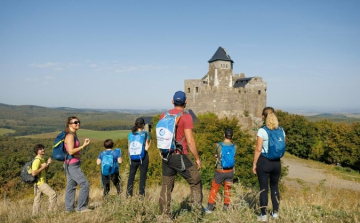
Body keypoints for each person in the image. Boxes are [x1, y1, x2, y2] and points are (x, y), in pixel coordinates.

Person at [158, 90, 202, 216]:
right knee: (195, 180)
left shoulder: (163, 115)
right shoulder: (186, 117)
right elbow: (190, 141)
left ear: (172, 101)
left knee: (166, 187)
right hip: (180, 155)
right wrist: (197, 158)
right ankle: (196, 214)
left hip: (166, 156)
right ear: (185, 102)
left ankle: (165, 216)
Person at [252, 107, 285, 221]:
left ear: (263, 117)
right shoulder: (281, 130)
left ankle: (263, 215)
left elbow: (258, 149)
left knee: (264, 189)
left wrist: (254, 163)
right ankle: (275, 213)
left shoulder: (262, 131)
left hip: (264, 162)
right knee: (275, 187)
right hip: (277, 163)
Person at [204, 128, 237, 213]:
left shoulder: (218, 145)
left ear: (224, 135)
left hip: (220, 170)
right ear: (232, 136)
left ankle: (210, 208)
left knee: (214, 188)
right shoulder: (235, 146)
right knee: (228, 189)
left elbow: (216, 155)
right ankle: (226, 208)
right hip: (230, 171)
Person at [64, 116, 91, 213]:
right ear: (69, 124)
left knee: (71, 186)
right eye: (75, 122)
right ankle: (81, 208)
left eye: (78, 122)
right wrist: (83, 146)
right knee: (85, 184)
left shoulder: (72, 135)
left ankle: (69, 208)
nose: (78, 123)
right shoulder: (70, 136)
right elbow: (71, 151)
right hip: (72, 165)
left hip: (70, 164)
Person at [126, 117, 151, 197]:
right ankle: (141, 195)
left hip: (133, 156)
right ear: (143, 125)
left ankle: (128, 195)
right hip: (143, 157)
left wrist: (130, 157)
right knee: (142, 176)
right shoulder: (145, 134)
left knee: (131, 176)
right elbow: (146, 148)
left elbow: (129, 147)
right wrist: (149, 143)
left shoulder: (131, 134)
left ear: (135, 124)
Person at [31, 143, 57, 215]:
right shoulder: (37, 160)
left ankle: (35, 215)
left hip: (37, 183)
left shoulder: (41, 160)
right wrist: (42, 167)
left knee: (37, 200)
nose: (43, 150)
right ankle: (51, 213)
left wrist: (47, 164)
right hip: (40, 183)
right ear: (37, 151)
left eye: (43, 148)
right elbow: (33, 173)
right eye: (41, 149)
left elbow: (45, 171)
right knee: (53, 194)